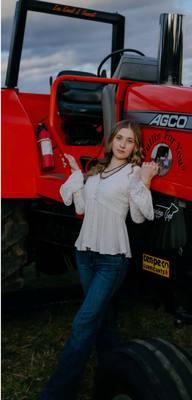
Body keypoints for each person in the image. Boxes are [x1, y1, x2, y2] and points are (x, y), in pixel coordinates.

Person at [40, 119, 159, 400]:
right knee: (101, 320)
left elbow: (141, 216)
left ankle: (56, 394)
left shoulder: (133, 173)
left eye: (130, 141)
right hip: (85, 255)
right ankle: (114, 373)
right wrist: (76, 175)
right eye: (119, 138)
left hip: (111, 260)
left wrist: (145, 181)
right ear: (111, 140)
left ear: (135, 148)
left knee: (83, 322)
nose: (123, 144)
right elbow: (81, 207)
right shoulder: (97, 172)